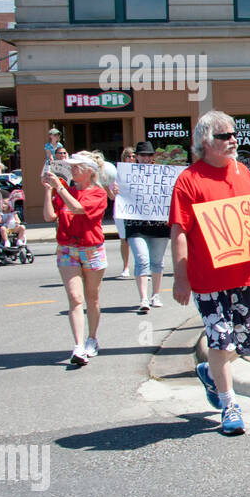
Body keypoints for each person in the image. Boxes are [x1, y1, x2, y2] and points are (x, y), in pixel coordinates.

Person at [170, 111, 250, 436]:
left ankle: (210, 373)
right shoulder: (189, 180)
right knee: (220, 339)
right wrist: (181, 277)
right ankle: (229, 405)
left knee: (242, 343)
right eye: (224, 136)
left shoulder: (243, 173)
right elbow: (179, 231)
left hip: (241, 276)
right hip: (207, 278)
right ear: (205, 142)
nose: (233, 140)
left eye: (233, 134)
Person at [42, 152, 108, 367]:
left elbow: (78, 209)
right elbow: (49, 216)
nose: (73, 170)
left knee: (92, 297)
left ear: (90, 171)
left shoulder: (98, 193)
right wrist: (49, 191)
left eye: (78, 167)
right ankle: (78, 345)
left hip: (91, 249)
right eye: (72, 167)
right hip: (67, 249)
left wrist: (59, 189)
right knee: (75, 297)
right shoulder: (65, 191)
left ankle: (92, 338)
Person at [122, 141, 172, 315]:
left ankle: (155, 295)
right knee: (142, 259)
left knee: (157, 262)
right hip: (136, 225)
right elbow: (115, 196)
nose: (145, 158)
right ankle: (143, 298)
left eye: (149, 155)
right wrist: (114, 190)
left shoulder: (162, 173)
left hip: (158, 224)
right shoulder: (127, 174)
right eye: (142, 155)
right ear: (136, 156)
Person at [106, 146, 133, 278]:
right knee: (124, 240)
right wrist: (108, 187)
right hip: (122, 210)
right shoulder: (117, 174)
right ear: (123, 158)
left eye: (133, 156)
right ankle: (126, 267)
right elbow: (111, 197)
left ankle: (144, 268)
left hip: (137, 211)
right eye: (128, 156)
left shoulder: (141, 172)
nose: (131, 158)